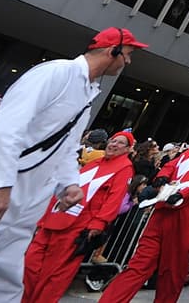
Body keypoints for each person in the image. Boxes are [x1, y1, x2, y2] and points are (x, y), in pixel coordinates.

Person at [0, 26, 144, 303]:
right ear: (111, 51)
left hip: (26, 197)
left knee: (0, 278)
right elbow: (8, 127)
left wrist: (69, 184)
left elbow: (67, 147)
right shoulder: (55, 73)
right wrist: (0, 185)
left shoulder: (87, 92)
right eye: (126, 54)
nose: (127, 62)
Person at [99, 119, 189, 303]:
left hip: (187, 219)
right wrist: (161, 178)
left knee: (172, 272)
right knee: (139, 264)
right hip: (163, 213)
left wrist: (183, 195)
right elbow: (171, 166)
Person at [21, 129, 136, 302]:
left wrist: (99, 223)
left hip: (78, 227)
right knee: (30, 264)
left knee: (54, 273)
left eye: (120, 142)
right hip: (55, 219)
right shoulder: (95, 163)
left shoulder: (124, 168)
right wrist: (44, 217)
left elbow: (115, 198)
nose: (114, 144)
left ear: (128, 149)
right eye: (113, 140)